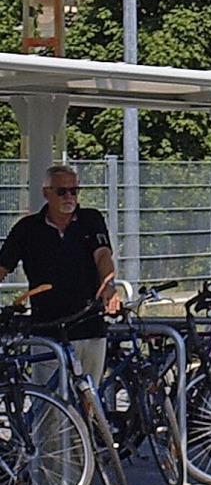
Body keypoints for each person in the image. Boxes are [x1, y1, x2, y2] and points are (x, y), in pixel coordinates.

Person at [0, 164, 121, 384]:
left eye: (74, 191)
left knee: (89, 401)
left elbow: (102, 254)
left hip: (89, 324)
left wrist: (109, 285)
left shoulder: (90, 219)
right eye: (61, 191)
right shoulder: (27, 228)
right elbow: (3, 266)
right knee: (50, 408)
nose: (69, 197)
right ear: (46, 193)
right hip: (47, 328)